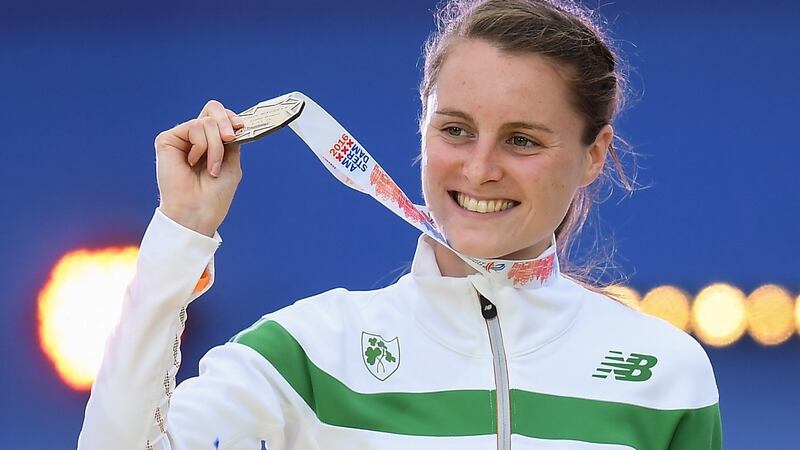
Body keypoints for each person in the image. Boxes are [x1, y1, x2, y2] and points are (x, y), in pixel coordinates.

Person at [78, 0, 722, 449]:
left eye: (522, 140)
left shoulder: (666, 374)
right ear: (422, 129)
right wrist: (180, 233)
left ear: (594, 156)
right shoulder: (311, 355)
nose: (480, 167)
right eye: (455, 130)